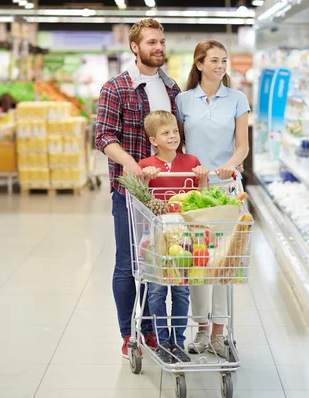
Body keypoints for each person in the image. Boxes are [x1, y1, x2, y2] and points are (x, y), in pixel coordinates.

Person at [95, 18, 182, 359]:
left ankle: (152, 329)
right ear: (135, 47)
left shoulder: (172, 89)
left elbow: (178, 138)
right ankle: (129, 332)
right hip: (130, 192)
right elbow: (103, 136)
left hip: (168, 192)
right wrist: (134, 166)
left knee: (161, 261)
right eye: (151, 42)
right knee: (129, 262)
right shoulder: (116, 88)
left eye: (161, 41)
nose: (158, 47)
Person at [175, 40, 250, 356]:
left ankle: (219, 332)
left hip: (226, 192)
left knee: (223, 265)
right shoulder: (183, 100)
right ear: (200, 64)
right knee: (197, 264)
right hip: (194, 192)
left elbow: (242, 146)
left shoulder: (237, 99)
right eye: (214, 60)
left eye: (224, 60)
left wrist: (228, 167)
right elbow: (176, 145)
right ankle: (201, 330)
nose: (221, 66)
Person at [138, 110, 209, 363]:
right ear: (153, 140)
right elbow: (141, 201)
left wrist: (201, 180)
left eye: (175, 132)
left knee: (181, 292)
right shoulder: (146, 166)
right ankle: (161, 340)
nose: (172, 136)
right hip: (156, 238)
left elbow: (199, 199)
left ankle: (177, 341)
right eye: (165, 133)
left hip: (184, 240)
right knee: (157, 291)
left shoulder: (191, 162)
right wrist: (145, 181)